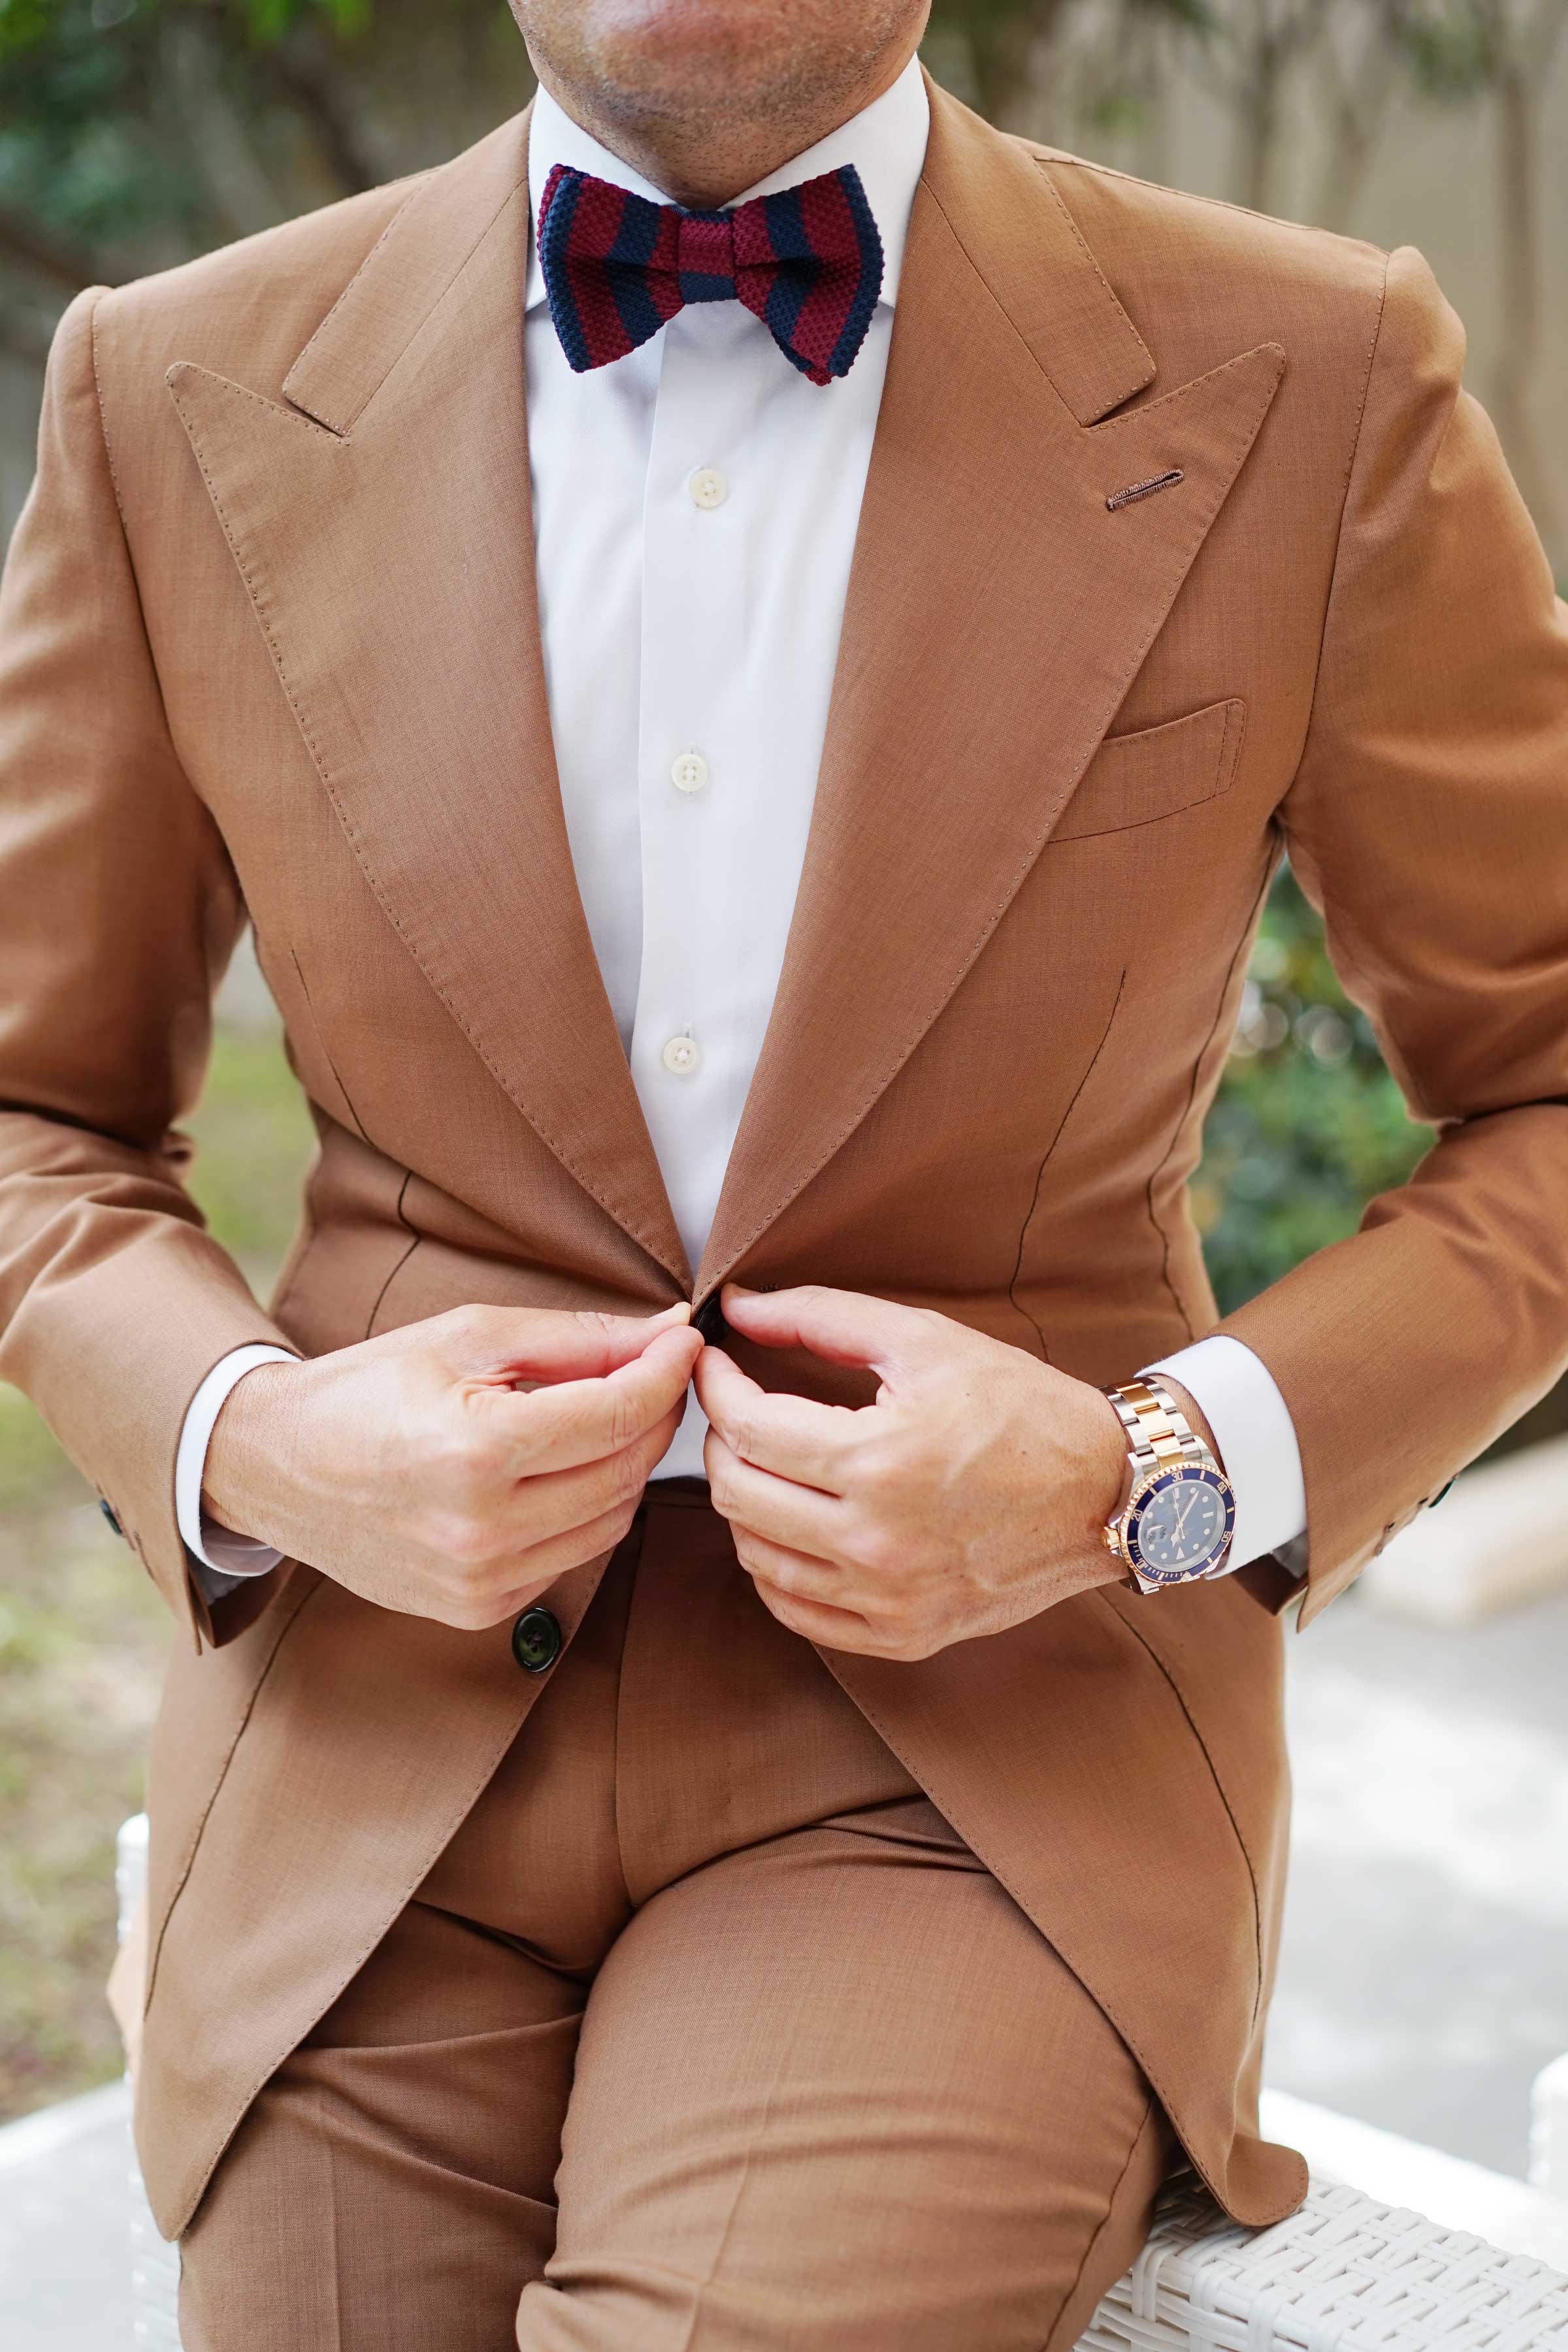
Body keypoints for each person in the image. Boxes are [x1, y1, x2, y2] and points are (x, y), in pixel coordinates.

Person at [1, 0, 1565, 2342]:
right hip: (375, 1739)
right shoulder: (170, 382)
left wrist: (1147, 1473)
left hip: (978, 1749)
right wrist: (265, 1441)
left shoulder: (1312, 369)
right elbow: (37, 1111)